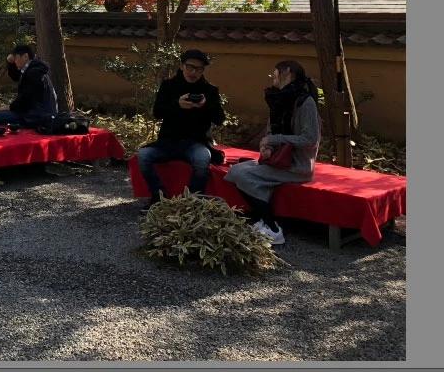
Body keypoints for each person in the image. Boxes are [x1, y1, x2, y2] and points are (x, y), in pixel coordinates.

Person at [224, 59, 322, 247]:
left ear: (286, 71)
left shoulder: (305, 101)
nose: (272, 76)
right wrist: (267, 147)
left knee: (242, 175)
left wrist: (274, 140)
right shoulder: (278, 98)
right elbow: (271, 131)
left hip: (297, 165)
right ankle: (262, 221)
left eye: (275, 72)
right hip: (277, 160)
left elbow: (310, 139)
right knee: (236, 170)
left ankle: (273, 229)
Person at [135, 48, 226, 209]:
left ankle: (191, 202)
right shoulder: (168, 86)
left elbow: (219, 119)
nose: (194, 73)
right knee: (143, 155)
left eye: (199, 69)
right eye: (190, 67)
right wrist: (177, 104)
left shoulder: (209, 90)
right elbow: (157, 112)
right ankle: (158, 198)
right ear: (182, 66)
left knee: (202, 159)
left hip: (197, 142)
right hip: (168, 141)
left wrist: (206, 105)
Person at [0, 44, 57, 132]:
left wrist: (9, 107)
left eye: (16, 58)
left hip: (37, 117)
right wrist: (10, 63)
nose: (15, 61)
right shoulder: (34, 69)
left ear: (25, 56)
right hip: (37, 113)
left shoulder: (34, 73)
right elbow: (15, 76)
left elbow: (25, 100)